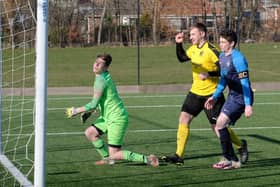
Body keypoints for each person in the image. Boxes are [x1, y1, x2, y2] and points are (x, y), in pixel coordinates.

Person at [162, 23, 247, 165]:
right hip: (195, 92)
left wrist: (209, 74)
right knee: (183, 119)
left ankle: (240, 146)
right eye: (190, 35)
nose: (191, 37)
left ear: (202, 34)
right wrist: (178, 44)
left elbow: (224, 70)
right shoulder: (193, 49)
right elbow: (182, 57)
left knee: (217, 127)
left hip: (212, 95)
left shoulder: (212, 50)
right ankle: (179, 155)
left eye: (193, 34)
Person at [65, 53, 159, 167]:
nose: (96, 65)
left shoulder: (101, 80)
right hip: (107, 117)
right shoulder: (103, 77)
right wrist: (88, 112)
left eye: (100, 64)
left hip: (117, 118)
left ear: (106, 68)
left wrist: (75, 110)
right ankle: (107, 159)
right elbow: (103, 100)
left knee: (115, 153)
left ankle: (149, 159)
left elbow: (94, 104)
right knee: (90, 133)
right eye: (96, 62)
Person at [205, 29, 254, 169]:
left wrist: (248, 104)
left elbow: (245, 83)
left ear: (231, 43)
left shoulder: (238, 59)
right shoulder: (222, 57)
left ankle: (230, 159)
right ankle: (231, 159)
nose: (220, 44)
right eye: (219, 41)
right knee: (219, 125)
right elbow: (223, 80)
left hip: (241, 97)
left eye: (223, 42)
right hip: (233, 96)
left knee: (220, 124)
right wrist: (214, 97)